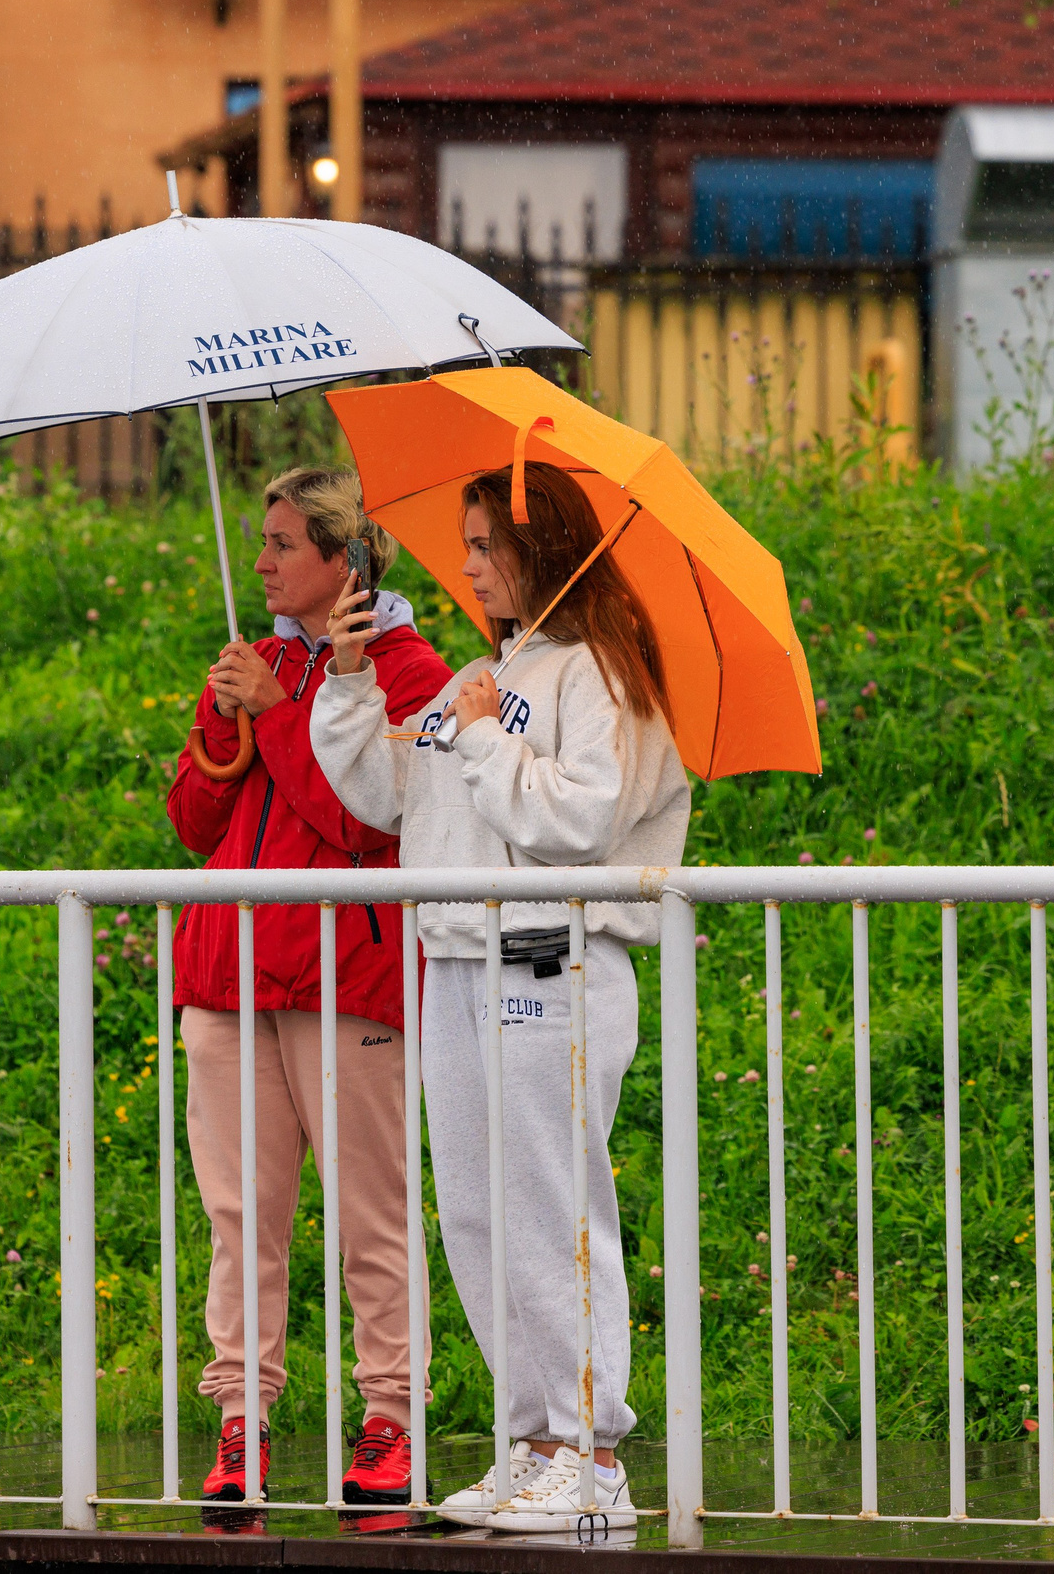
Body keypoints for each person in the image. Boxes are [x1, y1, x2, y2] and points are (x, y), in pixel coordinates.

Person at [307, 459, 688, 1532]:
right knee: (475, 1206)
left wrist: (481, 732)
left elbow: (576, 824)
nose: (468, 568)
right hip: (458, 959)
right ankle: (532, 1443)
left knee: (550, 1200)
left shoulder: (605, 675)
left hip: (553, 958)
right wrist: (347, 684)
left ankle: (591, 1453)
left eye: (487, 547)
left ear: (542, 550)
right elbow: (390, 797)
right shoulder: (477, 673)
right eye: (468, 547)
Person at [165, 467, 454, 1505]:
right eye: (261, 539)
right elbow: (196, 824)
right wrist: (224, 726)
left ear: (344, 558)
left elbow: (370, 821)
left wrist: (285, 710)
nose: (261, 560)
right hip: (227, 970)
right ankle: (241, 1420)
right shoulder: (254, 663)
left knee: (370, 1211)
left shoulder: (413, 670)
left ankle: (391, 1419)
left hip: (347, 974)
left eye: (283, 543)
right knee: (239, 1215)